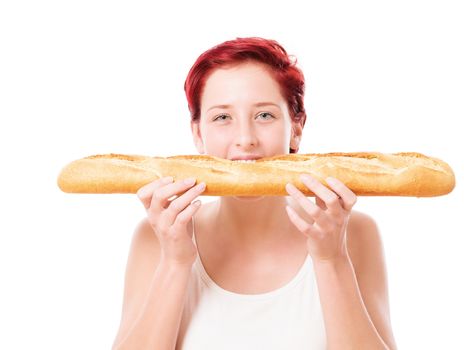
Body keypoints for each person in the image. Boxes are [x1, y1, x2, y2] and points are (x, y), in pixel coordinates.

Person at [111, 37, 397, 350]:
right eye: (222, 117)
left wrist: (331, 260)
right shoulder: (156, 236)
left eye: (264, 115)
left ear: (296, 128)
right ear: (198, 134)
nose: (245, 139)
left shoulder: (354, 232)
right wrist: (175, 263)